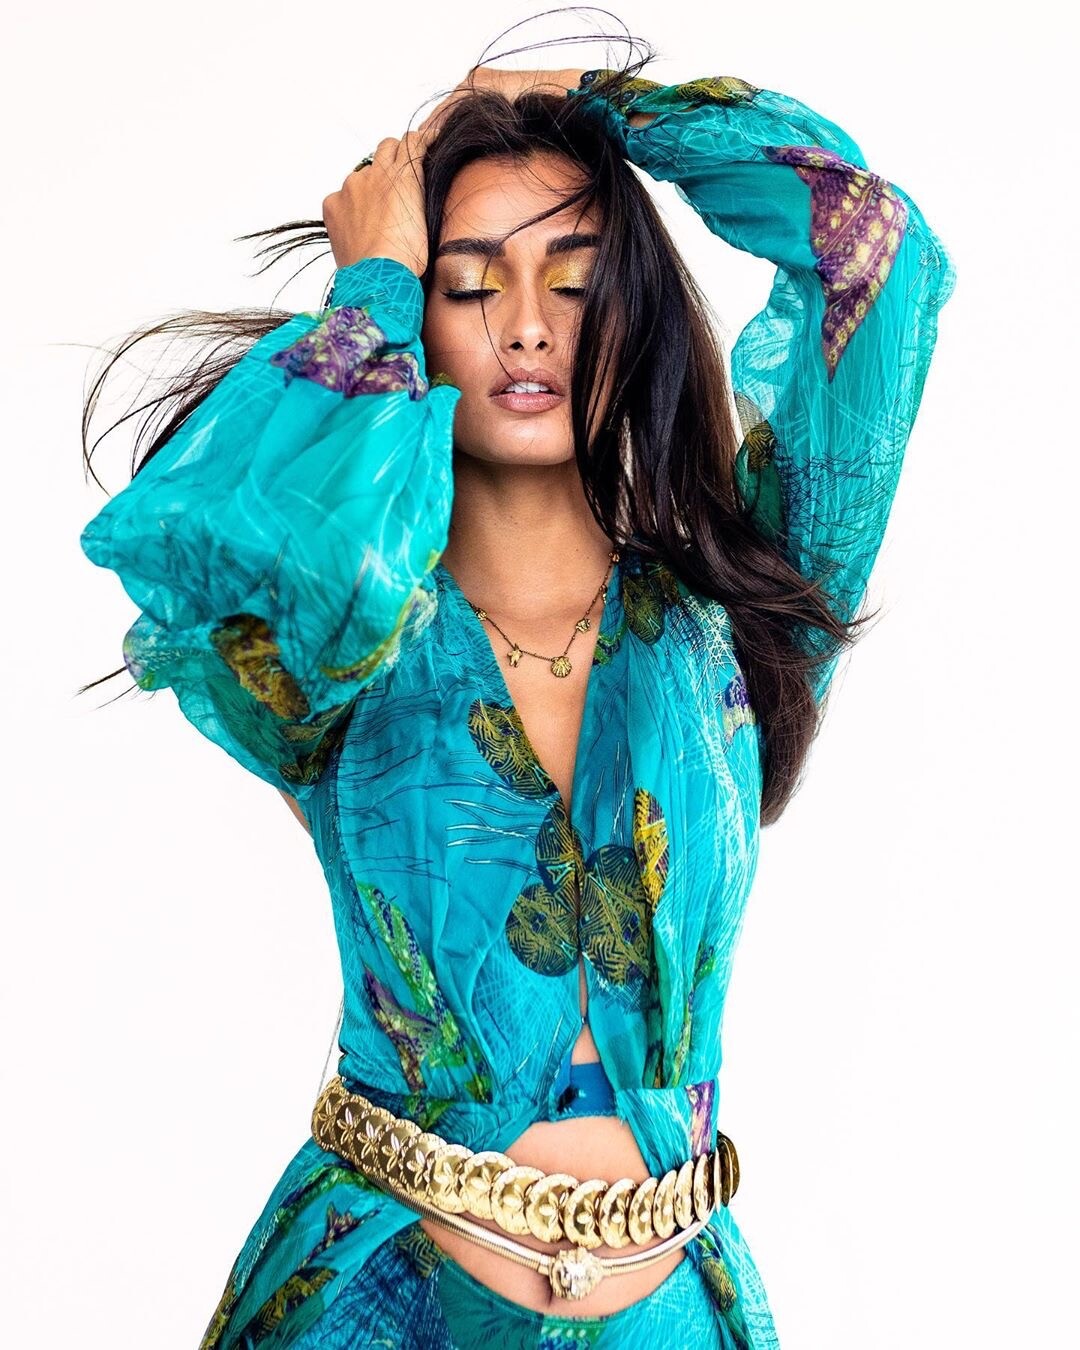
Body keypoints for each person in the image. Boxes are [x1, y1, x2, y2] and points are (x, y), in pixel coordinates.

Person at [78, 48, 957, 1350]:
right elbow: (236, 540)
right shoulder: (342, 635)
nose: (529, 325)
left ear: (632, 314)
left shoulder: (737, 618)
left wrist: (610, 105)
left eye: (575, 279)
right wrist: (372, 287)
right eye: (471, 283)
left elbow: (878, 261)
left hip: (674, 1306)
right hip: (376, 1302)